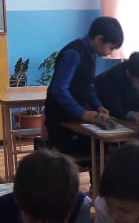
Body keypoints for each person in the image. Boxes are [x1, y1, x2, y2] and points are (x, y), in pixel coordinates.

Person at [43, 16, 124, 154]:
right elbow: (59, 89)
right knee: (75, 155)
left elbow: (89, 85)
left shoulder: (91, 53)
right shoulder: (74, 53)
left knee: (101, 149)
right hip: (60, 118)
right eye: (110, 48)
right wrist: (82, 113)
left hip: (74, 117)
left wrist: (98, 106)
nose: (110, 53)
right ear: (99, 39)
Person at [94, 50, 139, 127]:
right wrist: (133, 114)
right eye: (138, 82)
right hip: (99, 111)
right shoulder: (114, 76)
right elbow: (113, 107)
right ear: (128, 73)